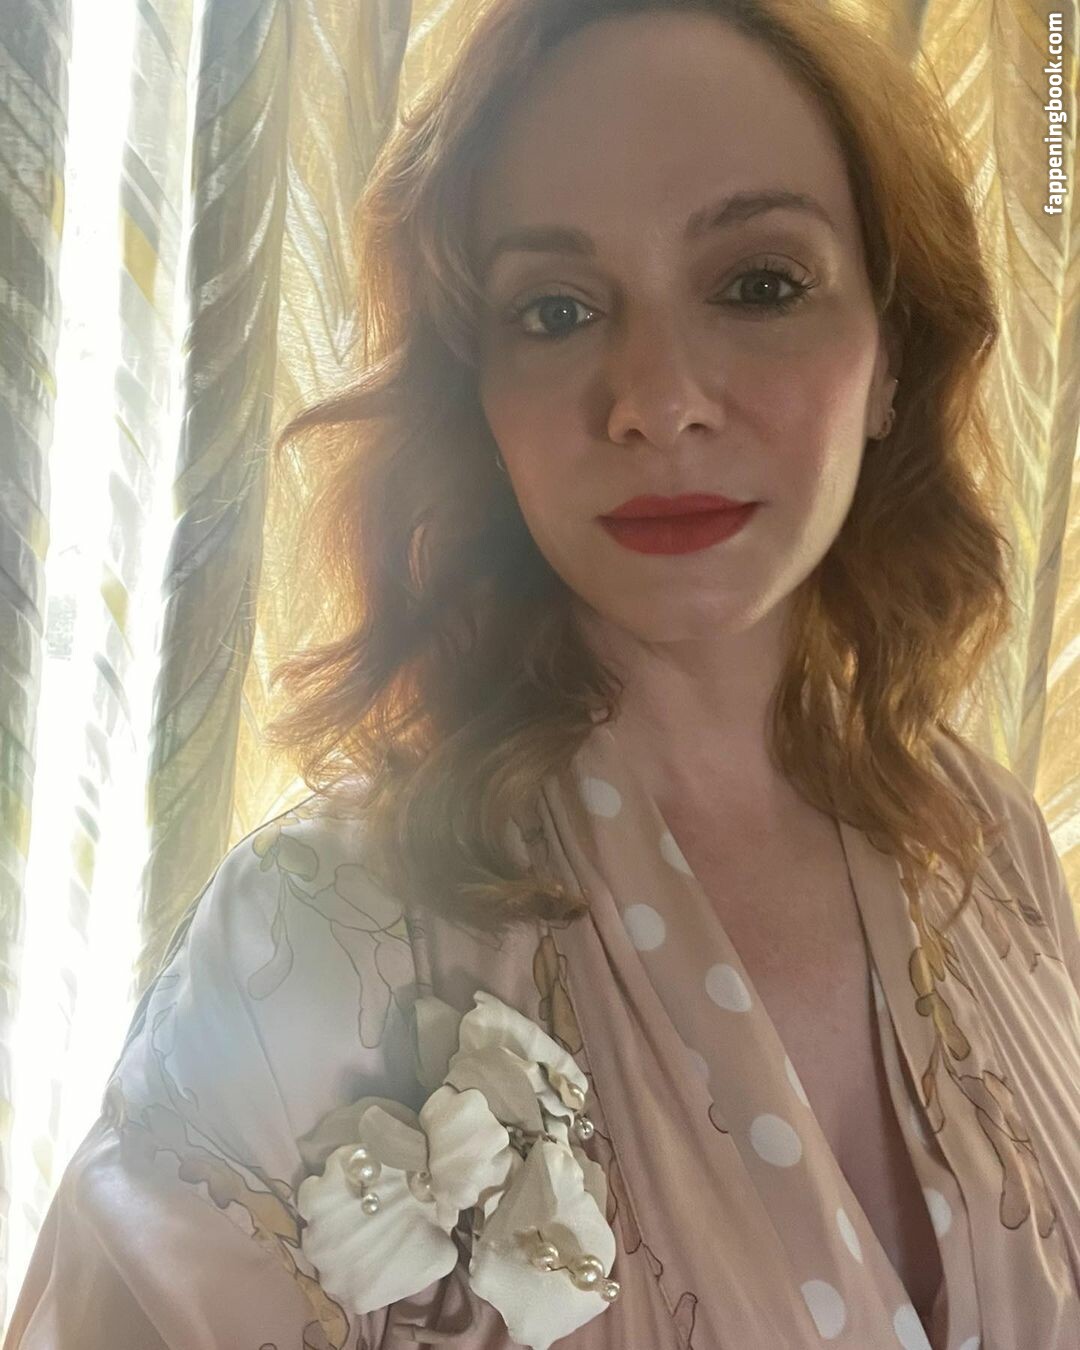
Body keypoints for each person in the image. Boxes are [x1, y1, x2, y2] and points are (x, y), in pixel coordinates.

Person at [7, 0, 1080, 1346]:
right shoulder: (313, 934)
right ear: (478, 398)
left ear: (891, 359)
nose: (657, 399)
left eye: (759, 283)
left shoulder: (987, 844)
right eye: (556, 309)